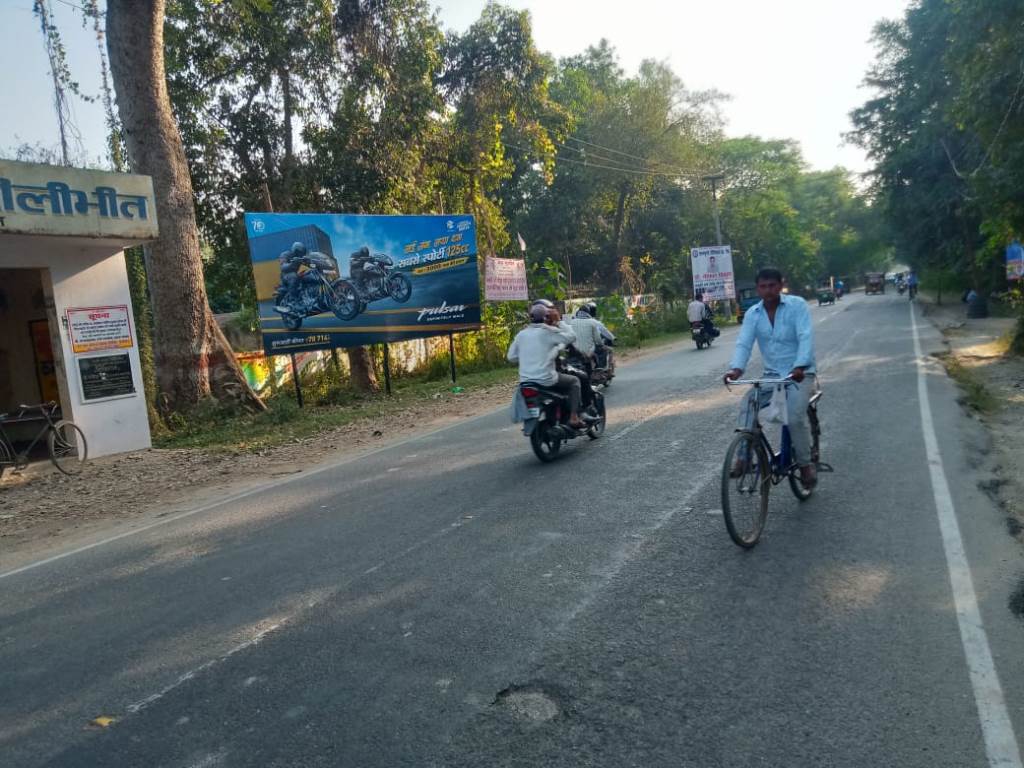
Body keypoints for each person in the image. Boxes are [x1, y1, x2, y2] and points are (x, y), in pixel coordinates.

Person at [724, 267, 818, 487]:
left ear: (780, 285)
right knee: (749, 402)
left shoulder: (797, 306)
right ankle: (744, 457)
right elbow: (744, 344)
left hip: (799, 374)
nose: (768, 290)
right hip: (772, 376)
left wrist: (800, 365)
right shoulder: (753, 314)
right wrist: (735, 369)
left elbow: (805, 337)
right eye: (763, 286)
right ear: (758, 288)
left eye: (772, 285)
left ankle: (805, 465)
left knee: (794, 418)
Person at [508, 303, 589, 429]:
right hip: (546, 379)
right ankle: (574, 417)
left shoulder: (521, 335)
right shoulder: (548, 332)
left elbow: (511, 357)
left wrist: (527, 356)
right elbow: (572, 337)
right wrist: (559, 321)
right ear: (547, 317)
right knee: (575, 381)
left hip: (526, 382)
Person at [278, 241, 318, 308]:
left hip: (295, 275)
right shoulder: (285, 254)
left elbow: (308, 264)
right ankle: (294, 300)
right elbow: (283, 267)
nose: (301, 254)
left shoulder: (300, 257)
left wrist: (313, 263)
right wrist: (293, 263)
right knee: (293, 276)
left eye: (302, 253)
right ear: (295, 250)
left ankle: (312, 296)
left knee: (309, 274)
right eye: (300, 252)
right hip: (286, 276)